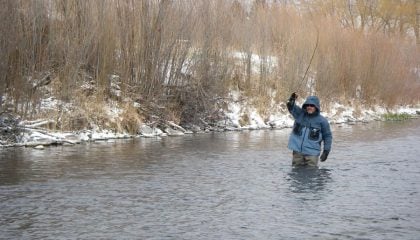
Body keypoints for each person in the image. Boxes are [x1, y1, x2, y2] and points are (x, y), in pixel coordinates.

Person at [287, 92, 332, 167]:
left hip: (312, 154)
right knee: (296, 174)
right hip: (297, 152)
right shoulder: (300, 114)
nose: (309, 107)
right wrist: (292, 98)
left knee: (311, 175)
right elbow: (290, 106)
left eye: (312, 105)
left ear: (316, 107)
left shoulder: (322, 121)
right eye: (307, 105)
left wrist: (326, 151)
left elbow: (327, 136)